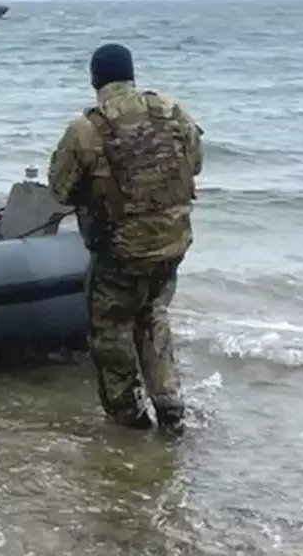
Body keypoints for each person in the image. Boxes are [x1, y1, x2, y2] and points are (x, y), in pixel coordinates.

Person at [47, 43, 204, 435]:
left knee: (110, 328)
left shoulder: (87, 128)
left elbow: (60, 190)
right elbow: (195, 162)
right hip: (173, 242)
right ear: (132, 74)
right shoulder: (172, 110)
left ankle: (129, 419)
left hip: (121, 251)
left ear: (95, 79)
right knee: (153, 315)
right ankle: (171, 407)